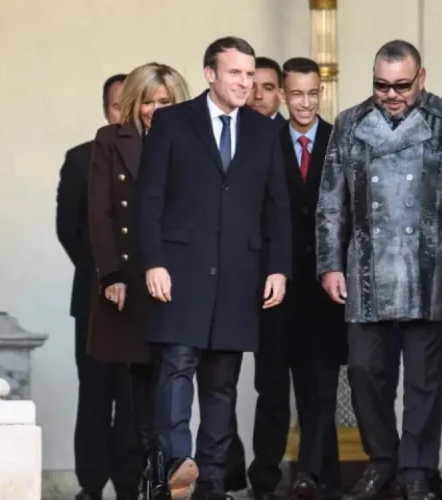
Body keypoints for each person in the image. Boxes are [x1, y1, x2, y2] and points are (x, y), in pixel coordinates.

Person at [136, 36, 292, 500]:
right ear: (210, 74)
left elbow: (277, 207)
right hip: (179, 272)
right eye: (235, 74)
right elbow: (149, 199)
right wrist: (154, 262)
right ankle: (175, 472)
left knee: (223, 385)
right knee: (176, 370)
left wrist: (278, 268)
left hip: (239, 277)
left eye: (250, 75)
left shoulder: (265, 131)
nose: (245, 82)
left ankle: (211, 483)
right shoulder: (172, 122)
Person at [316, 40, 442, 500]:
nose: (391, 93)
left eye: (401, 85)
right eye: (382, 85)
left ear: (421, 78)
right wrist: (328, 264)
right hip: (366, 268)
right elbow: (330, 201)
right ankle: (383, 462)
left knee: (424, 381)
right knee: (363, 372)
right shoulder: (349, 122)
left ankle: (418, 469)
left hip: (430, 266)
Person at [87, 63, 192, 500]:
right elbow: (101, 212)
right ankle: (154, 482)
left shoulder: (193, 140)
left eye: (164, 101)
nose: (154, 109)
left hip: (178, 278)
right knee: (142, 385)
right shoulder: (111, 140)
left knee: (177, 379)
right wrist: (111, 273)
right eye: (147, 101)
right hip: (131, 281)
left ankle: (176, 473)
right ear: (133, 102)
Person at [247, 57, 346, 500]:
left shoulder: (339, 140)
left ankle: (313, 475)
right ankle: (264, 480)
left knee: (319, 388)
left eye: (312, 94)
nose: (304, 104)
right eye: (296, 94)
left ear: (319, 94)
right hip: (274, 287)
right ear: (282, 95)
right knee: (270, 387)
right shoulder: (262, 139)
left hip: (325, 291)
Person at [56, 72, 139, 500]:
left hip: (142, 305)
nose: (123, 114)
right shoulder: (79, 159)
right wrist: (102, 273)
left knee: (132, 398)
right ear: (104, 109)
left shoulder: (154, 154)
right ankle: (90, 483)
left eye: (132, 104)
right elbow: (68, 230)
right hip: (92, 300)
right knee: (93, 394)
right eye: (115, 106)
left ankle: (129, 484)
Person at [226, 54, 286, 495]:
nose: (257, 92)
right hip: (227, 276)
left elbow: (282, 211)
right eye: (251, 83)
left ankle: (266, 474)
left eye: (267, 86)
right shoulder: (222, 131)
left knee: (272, 385)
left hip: (273, 282)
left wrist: (279, 270)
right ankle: (226, 469)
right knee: (219, 379)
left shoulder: (279, 136)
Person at [247, 56, 286, 121]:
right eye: (251, 87)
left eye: (268, 88)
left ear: (282, 95)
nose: (258, 96)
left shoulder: (289, 131)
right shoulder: (228, 127)